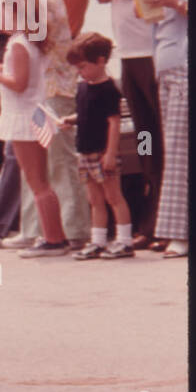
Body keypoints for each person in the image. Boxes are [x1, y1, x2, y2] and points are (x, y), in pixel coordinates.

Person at [92, 0, 162, 247]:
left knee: (165, 135)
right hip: (131, 51)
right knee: (147, 137)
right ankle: (152, 218)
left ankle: (166, 220)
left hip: (157, 49)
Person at [0, 0, 68, 257]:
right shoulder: (30, 39)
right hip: (36, 112)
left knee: (37, 181)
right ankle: (54, 235)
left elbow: (18, 83)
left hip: (26, 115)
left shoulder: (20, 44)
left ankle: (53, 239)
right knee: (41, 180)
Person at [140, 0, 188, 257]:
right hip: (165, 60)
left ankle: (179, 233)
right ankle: (172, 229)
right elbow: (152, 17)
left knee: (179, 150)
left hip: (185, 61)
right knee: (167, 146)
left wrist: (171, 2)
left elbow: (175, 9)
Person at [58, 33, 133, 259]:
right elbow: (86, 114)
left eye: (83, 66)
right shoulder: (83, 88)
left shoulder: (109, 89)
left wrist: (110, 153)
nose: (80, 72)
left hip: (102, 152)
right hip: (85, 151)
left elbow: (113, 122)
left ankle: (124, 240)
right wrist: (71, 120)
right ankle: (98, 240)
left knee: (114, 197)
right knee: (95, 199)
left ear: (101, 61)